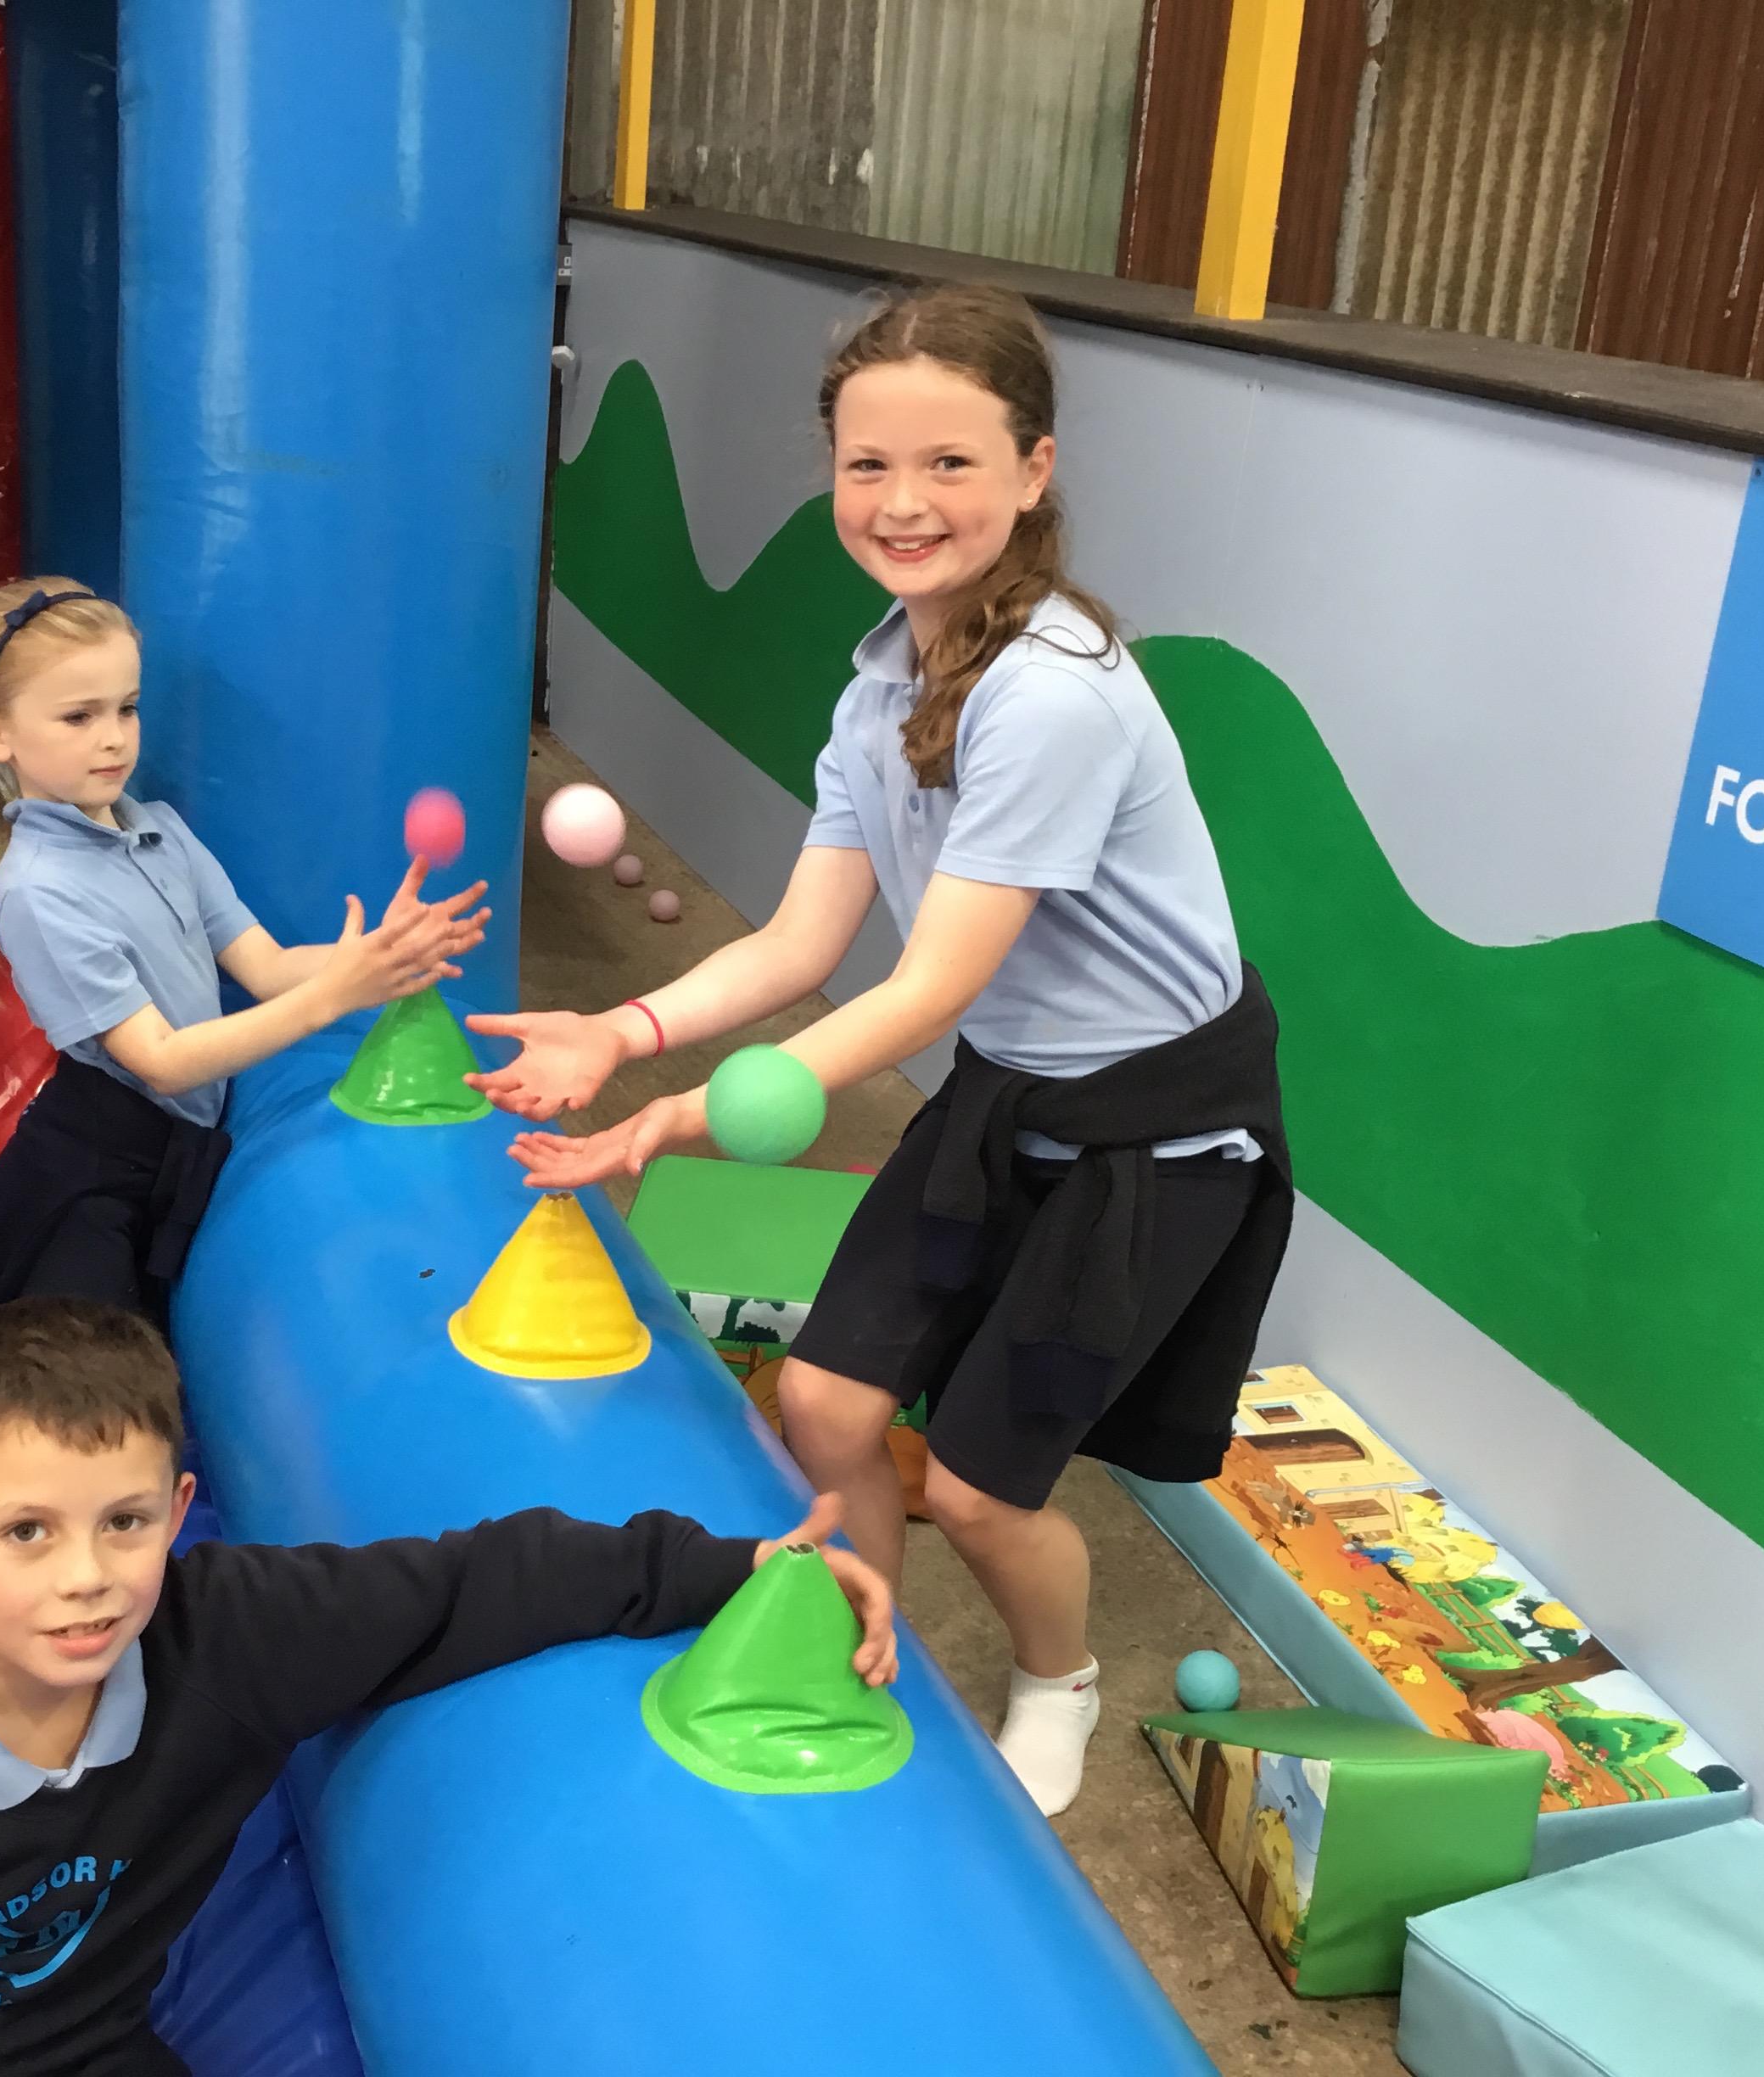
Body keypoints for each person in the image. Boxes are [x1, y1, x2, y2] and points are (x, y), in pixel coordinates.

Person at [468, 286, 1291, 1817]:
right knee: (826, 1406)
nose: (902, 502)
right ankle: (866, 1649)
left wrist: (677, 1118)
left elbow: (921, 990)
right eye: (867, 465)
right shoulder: (880, 686)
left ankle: (1056, 1677)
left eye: (949, 462)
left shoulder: (1050, 695)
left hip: (1153, 1136)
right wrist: (621, 1028)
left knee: (978, 1488)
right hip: (1010, 1090)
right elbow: (799, 943)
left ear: (1033, 470)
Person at [0, 1295, 896, 2076]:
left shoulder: (229, 1630)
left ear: (177, 1511)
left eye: (123, 1522)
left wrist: (742, 1570)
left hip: (90, 2051)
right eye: (26, 1533)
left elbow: (471, 1579)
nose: (86, 1579)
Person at [0, 579, 488, 1537]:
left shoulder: (162, 833)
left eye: (126, 708)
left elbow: (266, 965)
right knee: (83, 1432)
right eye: (79, 716)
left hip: (169, 1159)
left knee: (76, 1401)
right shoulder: (40, 889)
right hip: (90, 1168)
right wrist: (335, 996)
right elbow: (162, 1059)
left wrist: (377, 957)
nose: (113, 738)